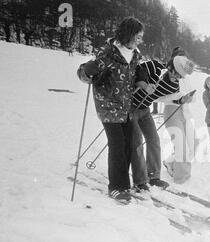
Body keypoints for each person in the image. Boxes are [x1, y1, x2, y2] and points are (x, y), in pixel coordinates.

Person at [77, 17, 144, 203]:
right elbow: (84, 73)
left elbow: (138, 69)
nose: (140, 40)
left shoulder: (135, 54)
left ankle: (123, 181)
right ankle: (117, 186)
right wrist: (86, 72)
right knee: (117, 146)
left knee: (128, 145)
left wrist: (143, 77)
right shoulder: (108, 52)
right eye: (138, 37)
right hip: (108, 105)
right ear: (128, 35)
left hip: (126, 107)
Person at [130, 48, 188, 192]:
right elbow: (139, 70)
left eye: (181, 77)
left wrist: (181, 99)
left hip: (144, 110)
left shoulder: (174, 85)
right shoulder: (156, 66)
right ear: (171, 68)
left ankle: (153, 177)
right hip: (130, 107)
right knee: (137, 143)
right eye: (178, 75)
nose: (178, 79)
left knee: (154, 140)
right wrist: (145, 85)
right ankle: (140, 181)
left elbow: (167, 98)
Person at [161, 57, 197, 184]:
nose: (180, 78)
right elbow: (159, 97)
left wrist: (187, 98)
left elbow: (194, 98)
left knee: (194, 144)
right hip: (172, 111)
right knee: (181, 145)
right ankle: (181, 180)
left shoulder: (185, 78)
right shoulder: (164, 76)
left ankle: (169, 162)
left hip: (185, 112)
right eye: (179, 75)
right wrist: (179, 98)